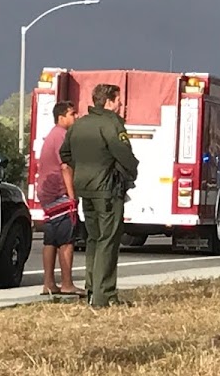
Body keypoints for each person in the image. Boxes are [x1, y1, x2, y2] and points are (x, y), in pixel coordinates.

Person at [60, 84, 139, 308]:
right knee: (109, 239)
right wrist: (131, 172)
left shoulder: (80, 124)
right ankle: (105, 295)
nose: (121, 104)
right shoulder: (112, 123)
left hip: (84, 189)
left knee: (93, 239)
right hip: (107, 189)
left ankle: (92, 289)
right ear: (109, 102)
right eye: (118, 100)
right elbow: (124, 154)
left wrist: (83, 168)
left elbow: (64, 153)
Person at [38, 101, 84, 296]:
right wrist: (72, 197)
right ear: (61, 117)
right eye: (72, 114)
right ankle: (67, 283)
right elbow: (65, 166)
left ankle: (49, 282)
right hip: (59, 193)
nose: (76, 117)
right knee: (66, 239)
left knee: (51, 239)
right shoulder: (62, 136)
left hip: (46, 194)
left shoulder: (52, 135)